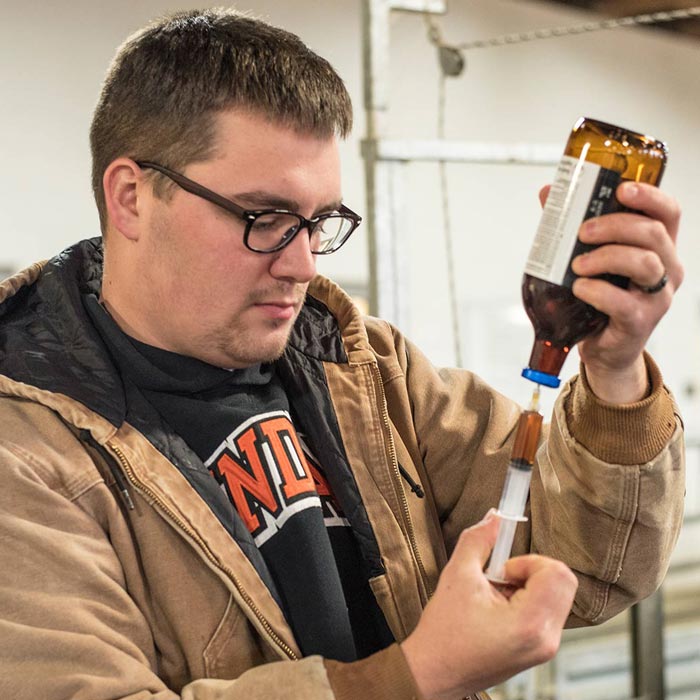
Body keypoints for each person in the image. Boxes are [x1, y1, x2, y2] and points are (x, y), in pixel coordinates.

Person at [0, 8, 685, 700]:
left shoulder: (363, 367)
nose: (301, 264)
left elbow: (590, 568)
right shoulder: (26, 449)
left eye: (321, 221)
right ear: (130, 197)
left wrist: (615, 371)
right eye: (264, 218)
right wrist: (416, 677)